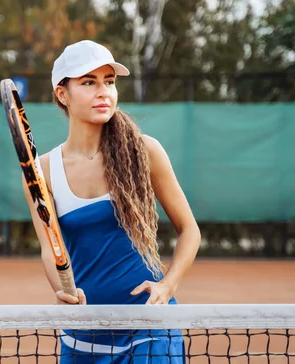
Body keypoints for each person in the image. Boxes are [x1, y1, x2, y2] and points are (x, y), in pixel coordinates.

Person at [21, 40, 201, 363]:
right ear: (63, 94)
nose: (103, 91)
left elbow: (189, 230)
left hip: (149, 329)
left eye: (109, 81)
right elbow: (51, 247)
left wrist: (168, 285)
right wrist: (62, 289)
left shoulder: (145, 152)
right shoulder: (41, 172)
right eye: (89, 82)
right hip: (82, 336)